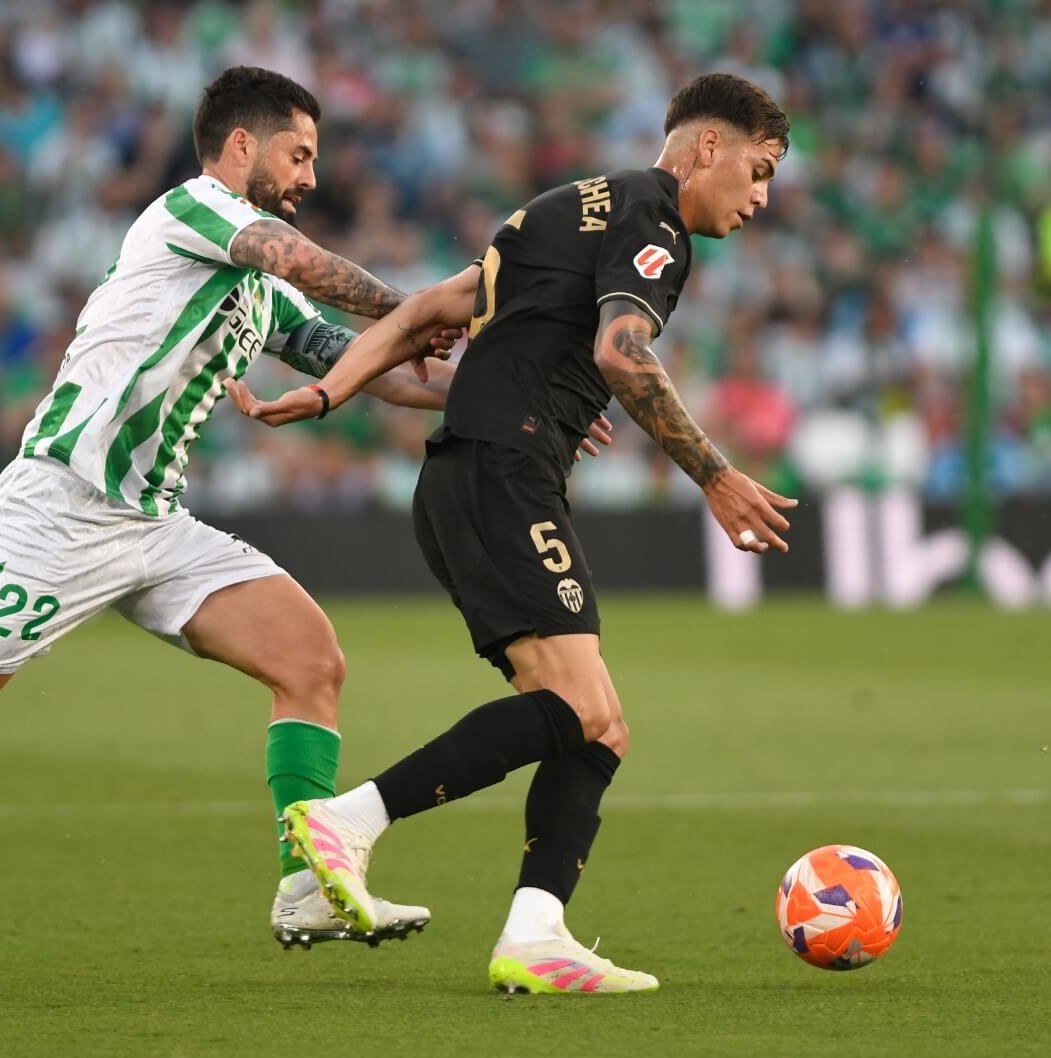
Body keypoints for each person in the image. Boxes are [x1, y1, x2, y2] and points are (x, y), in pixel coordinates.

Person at [0, 65, 486, 987]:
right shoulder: (191, 212)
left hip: (153, 523)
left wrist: (493, 385)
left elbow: (373, 365)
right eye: (299, 153)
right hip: (62, 505)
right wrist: (436, 303)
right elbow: (309, 267)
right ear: (240, 147)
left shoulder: (259, 286)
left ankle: (305, 885)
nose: (311, 176)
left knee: (309, 660)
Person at [226, 72, 797, 995]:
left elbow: (421, 313)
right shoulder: (653, 220)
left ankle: (536, 932)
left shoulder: (563, 207)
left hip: (466, 478)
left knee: (597, 730)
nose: (762, 196)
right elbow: (622, 350)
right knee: (582, 712)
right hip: (505, 475)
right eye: (759, 169)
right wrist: (717, 476)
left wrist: (332, 392)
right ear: (706, 149)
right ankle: (353, 819)